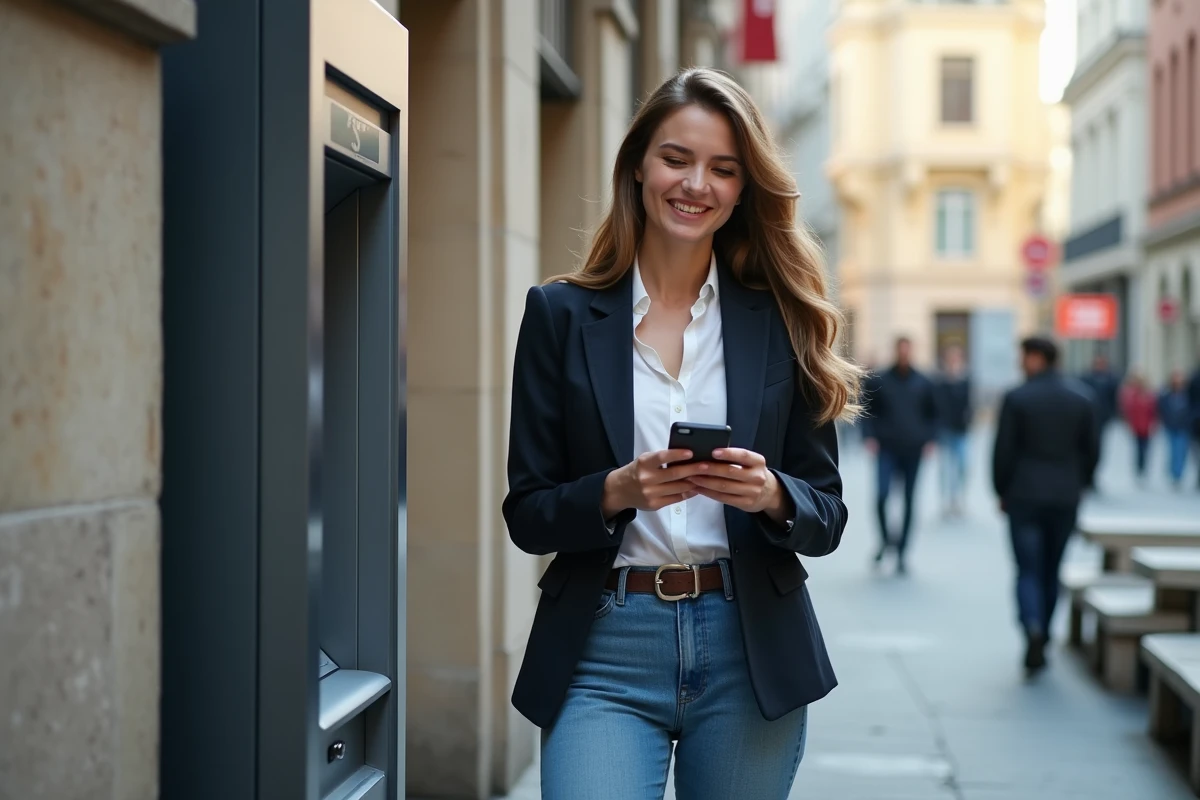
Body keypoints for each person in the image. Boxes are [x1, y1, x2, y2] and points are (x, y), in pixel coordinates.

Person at [502, 68, 862, 799]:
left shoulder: (779, 320)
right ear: (638, 164)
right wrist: (615, 490)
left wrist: (770, 494)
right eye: (677, 159)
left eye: (723, 169)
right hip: (601, 646)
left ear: (742, 189)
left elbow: (826, 513)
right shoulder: (559, 315)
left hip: (748, 645)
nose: (696, 184)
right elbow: (528, 512)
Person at [993, 337, 1099, 674]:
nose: (1020, 363)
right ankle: (1046, 632)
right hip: (1065, 495)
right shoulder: (1082, 397)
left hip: (1024, 494)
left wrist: (1001, 489)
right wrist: (1080, 481)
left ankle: (1032, 626)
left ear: (1037, 357)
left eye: (1023, 356)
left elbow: (1003, 451)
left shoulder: (1017, 397)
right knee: (1052, 568)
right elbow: (1093, 450)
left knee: (1027, 568)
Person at [860, 336, 939, 574]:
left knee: (909, 500)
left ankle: (903, 552)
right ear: (895, 351)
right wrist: (869, 437)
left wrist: (930, 440)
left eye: (907, 350)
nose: (904, 354)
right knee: (882, 496)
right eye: (900, 350)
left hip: (913, 448)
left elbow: (933, 413)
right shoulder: (879, 380)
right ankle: (885, 540)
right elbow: (867, 410)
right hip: (886, 448)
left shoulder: (924, 381)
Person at [933, 344, 972, 518]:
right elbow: (937, 404)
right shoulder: (940, 381)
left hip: (961, 430)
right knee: (946, 468)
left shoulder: (965, 380)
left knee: (963, 465)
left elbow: (968, 403)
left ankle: (958, 498)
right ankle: (947, 501)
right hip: (944, 431)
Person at [1118, 372, 1157, 482]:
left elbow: (1154, 412)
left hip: (1147, 427)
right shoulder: (1132, 395)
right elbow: (1128, 411)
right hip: (1136, 427)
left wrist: (1154, 424)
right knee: (1138, 449)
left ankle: (1144, 468)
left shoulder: (1150, 396)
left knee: (1145, 449)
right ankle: (1138, 469)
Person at [1158, 370, 1191, 488]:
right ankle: (1173, 472)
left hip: (1183, 427)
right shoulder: (1167, 394)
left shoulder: (1187, 394)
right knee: (1172, 450)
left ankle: (1178, 475)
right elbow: (1162, 409)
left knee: (1181, 451)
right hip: (1171, 427)